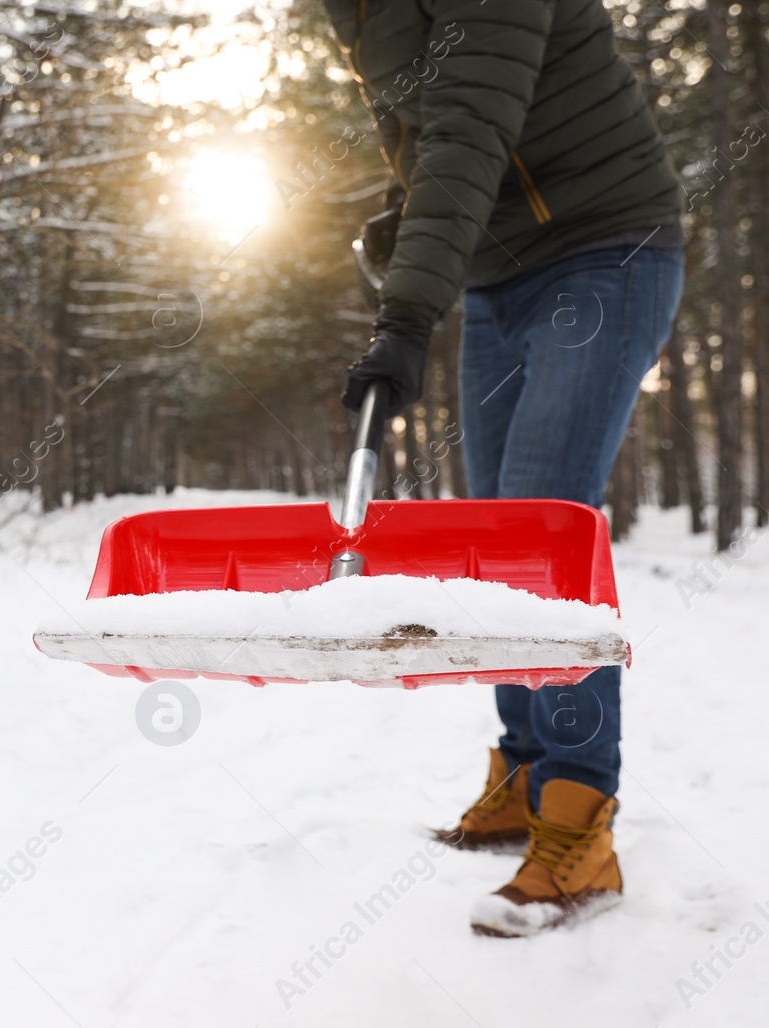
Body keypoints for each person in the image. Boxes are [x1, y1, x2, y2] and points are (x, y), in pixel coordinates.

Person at [323, 0, 685, 936]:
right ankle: (525, 775)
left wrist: (405, 314)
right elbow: (429, 121)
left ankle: (580, 822)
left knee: (542, 528)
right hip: (496, 273)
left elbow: (473, 119)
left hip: (605, 251)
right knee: (496, 542)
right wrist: (413, 217)